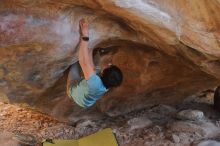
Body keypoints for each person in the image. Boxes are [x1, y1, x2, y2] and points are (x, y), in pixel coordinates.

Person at [66, 18, 123, 109]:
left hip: (73, 91)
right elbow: (91, 67)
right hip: (87, 101)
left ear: (103, 73)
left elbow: (82, 60)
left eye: (109, 66)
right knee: (94, 67)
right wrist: (90, 48)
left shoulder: (95, 82)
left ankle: (93, 53)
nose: (109, 64)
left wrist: (85, 36)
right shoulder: (108, 84)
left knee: (74, 62)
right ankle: (97, 52)